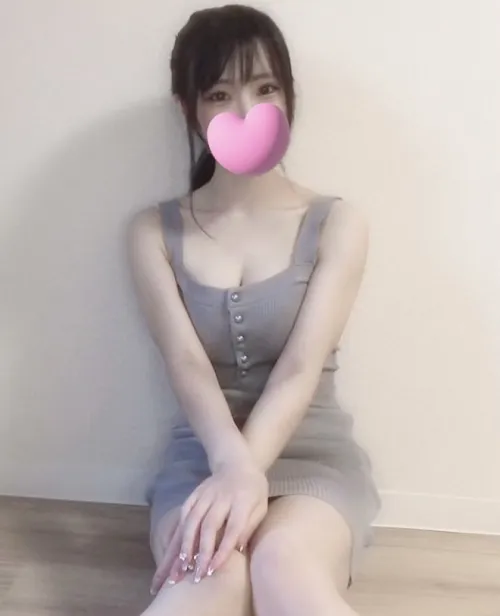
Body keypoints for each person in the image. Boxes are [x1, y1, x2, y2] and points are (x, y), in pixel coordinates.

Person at [128, 5, 381, 616]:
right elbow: (186, 364)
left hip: (312, 457)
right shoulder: (152, 232)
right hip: (201, 458)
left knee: (282, 564)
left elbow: (299, 368)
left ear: (289, 97)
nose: (245, 110)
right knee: (208, 577)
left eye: (265, 88)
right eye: (219, 94)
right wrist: (229, 469)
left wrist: (247, 473)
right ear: (188, 109)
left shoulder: (337, 223)